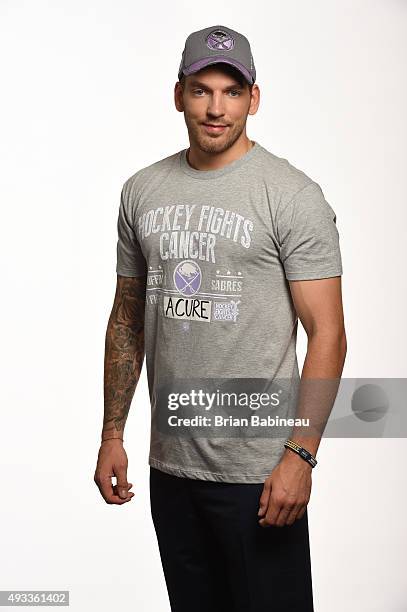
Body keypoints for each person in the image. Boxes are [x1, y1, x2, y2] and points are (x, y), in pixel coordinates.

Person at [94, 24, 347, 612]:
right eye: (201, 90)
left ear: (253, 99)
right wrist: (113, 434)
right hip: (172, 465)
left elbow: (328, 334)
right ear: (178, 94)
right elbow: (128, 315)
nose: (215, 108)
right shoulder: (143, 191)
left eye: (231, 92)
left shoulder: (290, 195)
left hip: (259, 473)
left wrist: (301, 455)